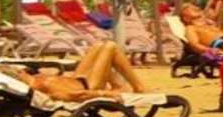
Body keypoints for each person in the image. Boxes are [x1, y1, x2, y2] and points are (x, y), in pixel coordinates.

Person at [8, 40, 147, 101]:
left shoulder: (36, 79)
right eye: (19, 71)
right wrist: (105, 93)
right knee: (110, 47)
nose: (22, 70)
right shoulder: (41, 84)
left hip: (77, 79)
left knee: (98, 46)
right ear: (18, 76)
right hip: (89, 85)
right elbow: (71, 95)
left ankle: (117, 85)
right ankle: (138, 87)